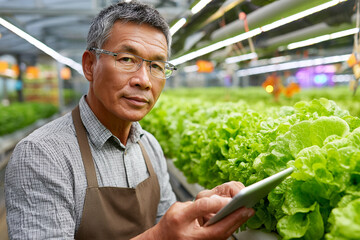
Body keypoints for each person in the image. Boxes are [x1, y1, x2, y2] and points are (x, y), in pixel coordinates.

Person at [5, 1, 255, 239]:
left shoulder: (150, 147)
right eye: (126, 59)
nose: (144, 80)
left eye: (156, 66)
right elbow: (162, 233)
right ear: (90, 65)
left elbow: (164, 224)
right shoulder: (41, 156)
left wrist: (200, 213)